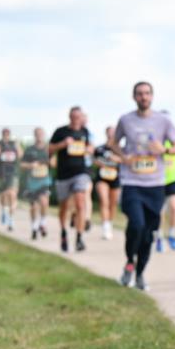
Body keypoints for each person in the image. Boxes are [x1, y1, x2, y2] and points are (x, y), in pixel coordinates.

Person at [109, 81, 175, 291]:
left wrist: (164, 150)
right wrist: (124, 157)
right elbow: (113, 143)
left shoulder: (163, 121)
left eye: (147, 93)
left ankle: (139, 273)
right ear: (134, 97)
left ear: (152, 96)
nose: (143, 97)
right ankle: (129, 261)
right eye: (139, 94)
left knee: (149, 233)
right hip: (132, 182)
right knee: (136, 225)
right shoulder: (126, 120)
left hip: (155, 184)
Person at [49, 107, 92, 252]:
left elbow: (90, 148)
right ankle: (63, 233)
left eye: (79, 117)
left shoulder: (84, 132)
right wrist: (62, 144)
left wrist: (89, 149)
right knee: (64, 207)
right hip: (63, 174)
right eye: (74, 116)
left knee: (81, 202)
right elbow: (49, 149)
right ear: (69, 117)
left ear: (81, 117)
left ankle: (79, 237)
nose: (76, 119)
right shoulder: (60, 131)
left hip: (80, 172)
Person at [20, 127, 52, 240]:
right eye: (37, 134)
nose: (39, 136)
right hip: (32, 182)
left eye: (41, 134)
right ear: (34, 135)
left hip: (44, 180)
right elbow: (22, 165)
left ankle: (42, 223)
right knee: (33, 206)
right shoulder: (29, 149)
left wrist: (50, 163)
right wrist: (30, 165)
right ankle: (34, 227)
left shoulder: (48, 149)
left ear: (43, 135)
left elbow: (55, 162)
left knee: (44, 202)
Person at [93, 126, 122, 240]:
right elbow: (93, 159)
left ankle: (109, 223)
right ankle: (105, 226)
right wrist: (100, 163)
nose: (111, 134)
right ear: (106, 133)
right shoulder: (100, 148)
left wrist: (116, 159)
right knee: (104, 200)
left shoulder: (120, 149)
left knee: (113, 203)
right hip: (102, 178)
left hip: (115, 177)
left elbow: (126, 160)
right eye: (109, 132)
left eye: (113, 132)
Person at [156, 135, 175, 252]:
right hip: (157, 178)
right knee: (160, 211)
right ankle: (159, 237)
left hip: (174, 177)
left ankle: (172, 235)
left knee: (174, 206)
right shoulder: (155, 138)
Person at [0, 128, 21, 231]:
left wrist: (18, 146)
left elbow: (20, 155)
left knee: (12, 195)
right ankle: (4, 211)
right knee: (4, 196)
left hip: (13, 173)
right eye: (4, 134)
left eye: (8, 134)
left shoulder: (14, 144)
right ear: (2, 134)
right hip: (2, 173)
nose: (6, 135)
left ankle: (11, 221)